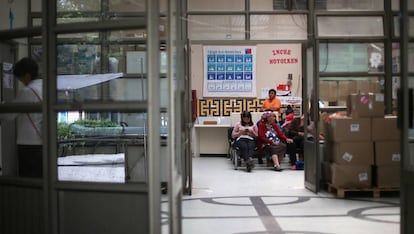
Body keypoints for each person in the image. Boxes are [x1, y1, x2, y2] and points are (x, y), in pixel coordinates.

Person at [0, 57, 43, 177]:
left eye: (20, 78)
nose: (21, 82)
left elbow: (9, 115)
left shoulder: (28, 91)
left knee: (29, 177)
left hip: (29, 142)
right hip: (44, 140)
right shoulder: (44, 86)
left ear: (27, 76)